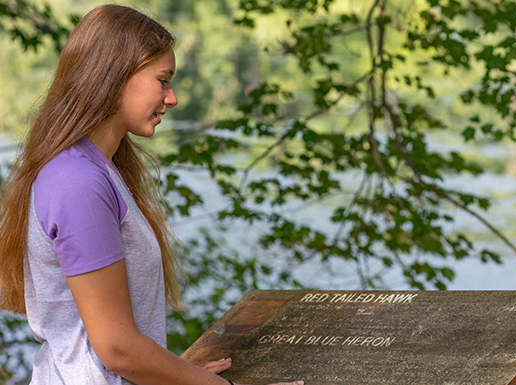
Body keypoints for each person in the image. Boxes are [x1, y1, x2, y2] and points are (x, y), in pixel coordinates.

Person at [0, 5, 303, 385]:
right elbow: (117, 349)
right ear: (113, 76)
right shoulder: (77, 182)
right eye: (163, 80)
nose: (172, 98)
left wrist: (181, 375)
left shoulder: (94, 169)